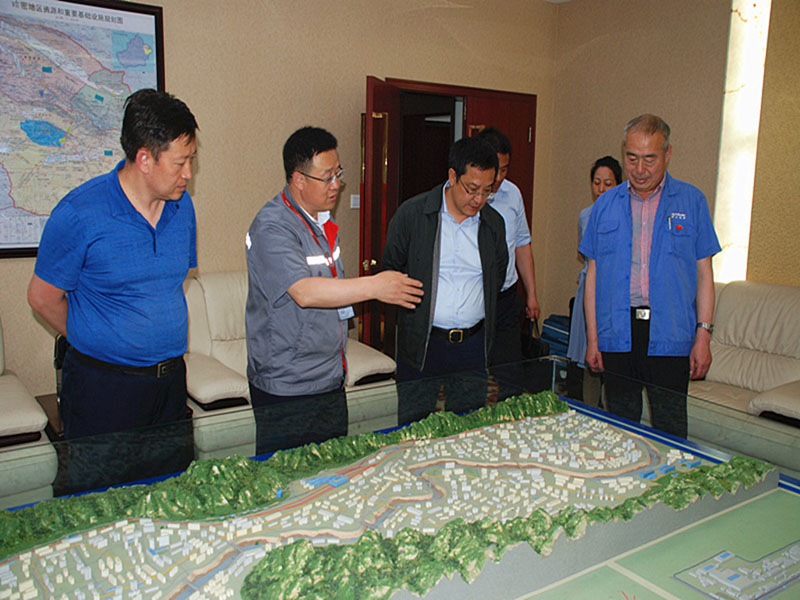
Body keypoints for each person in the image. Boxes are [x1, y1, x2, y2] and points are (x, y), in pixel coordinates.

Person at [28, 88, 199, 441]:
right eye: (180, 162)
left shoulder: (183, 208)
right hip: (103, 389)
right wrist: (97, 338)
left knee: (172, 476)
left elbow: (166, 285)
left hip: (169, 384)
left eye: (192, 160)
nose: (189, 173)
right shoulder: (79, 213)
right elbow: (42, 298)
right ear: (145, 159)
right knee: (104, 477)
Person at [245, 126, 422, 452]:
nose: (336, 185)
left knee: (333, 468)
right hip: (288, 386)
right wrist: (375, 285)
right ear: (299, 179)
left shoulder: (321, 220)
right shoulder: (272, 226)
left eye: (338, 174)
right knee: (288, 475)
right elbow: (304, 292)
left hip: (328, 376)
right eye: (327, 177)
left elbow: (332, 289)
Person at [580, 114, 721, 438]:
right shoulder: (605, 205)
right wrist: (593, 339)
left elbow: (704, 275)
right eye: (632, 159)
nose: (640, 169)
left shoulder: (691, 201)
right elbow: (593, 277)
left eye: (649, 159)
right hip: (618, 333)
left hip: (670, 334)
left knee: (671, 430)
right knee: (619, 431)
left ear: (667, 154)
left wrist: (703, 337)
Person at [382, 136, 508, 423]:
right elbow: (390, 272)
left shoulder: (493, 224)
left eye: (487, 191)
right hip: (423, 344)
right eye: (472, 189)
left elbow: (497, 277)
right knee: (415, 428)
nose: (478, 199)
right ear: (452, 177)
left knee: (468, 427)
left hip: (473, 346)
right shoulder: (413, 215)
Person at [475, 127, 540, 370]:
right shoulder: (465, 197)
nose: (500, 177)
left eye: (505, 169)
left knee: (510, 371)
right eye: (496, 169)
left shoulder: (513, 194)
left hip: (506, 298)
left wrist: (531, 294)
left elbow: (521, 244)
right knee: (474, 373)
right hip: (475, 298)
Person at [566, 156, 622, 406]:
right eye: (596, 183)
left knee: (612, 361)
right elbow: (585, 255)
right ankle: (589, 410)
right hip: (588, 292)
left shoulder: (626, 216)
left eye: (608, 183)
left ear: (619, 185)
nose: (601, 189)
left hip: (613, 295)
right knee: (587, 359)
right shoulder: (585, 215)